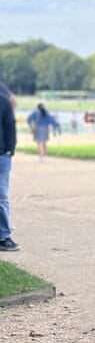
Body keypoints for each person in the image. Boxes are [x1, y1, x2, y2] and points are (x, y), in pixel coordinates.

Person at [0, 83, 19, 252]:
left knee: (1, 194)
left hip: (1, 155)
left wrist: (9, 151)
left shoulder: (3, 101)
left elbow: (10, 127)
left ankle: (4, 236)